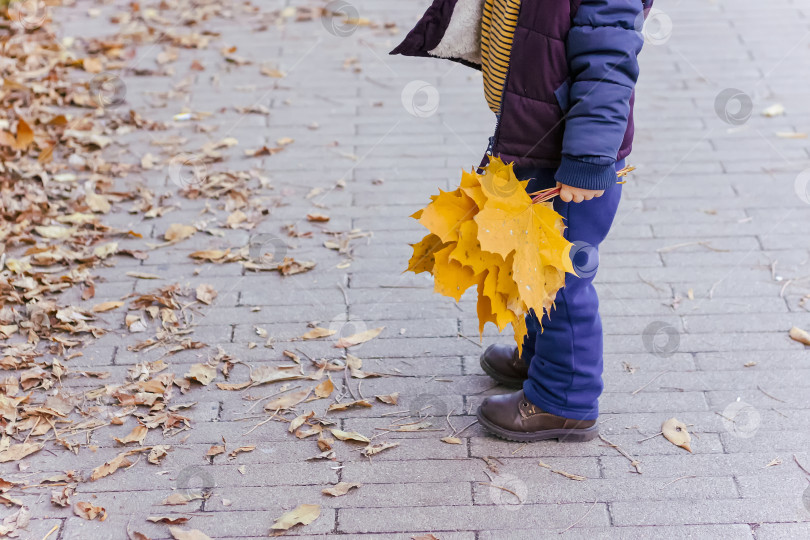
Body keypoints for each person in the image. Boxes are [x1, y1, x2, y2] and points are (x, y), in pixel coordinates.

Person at [392, 0, 652, 442]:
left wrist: (588, 157)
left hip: (569, 152)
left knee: (559, 277)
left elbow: (609, 56)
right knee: (527, 259)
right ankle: (539, 358)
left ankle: (563, 399)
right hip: (532, 130)